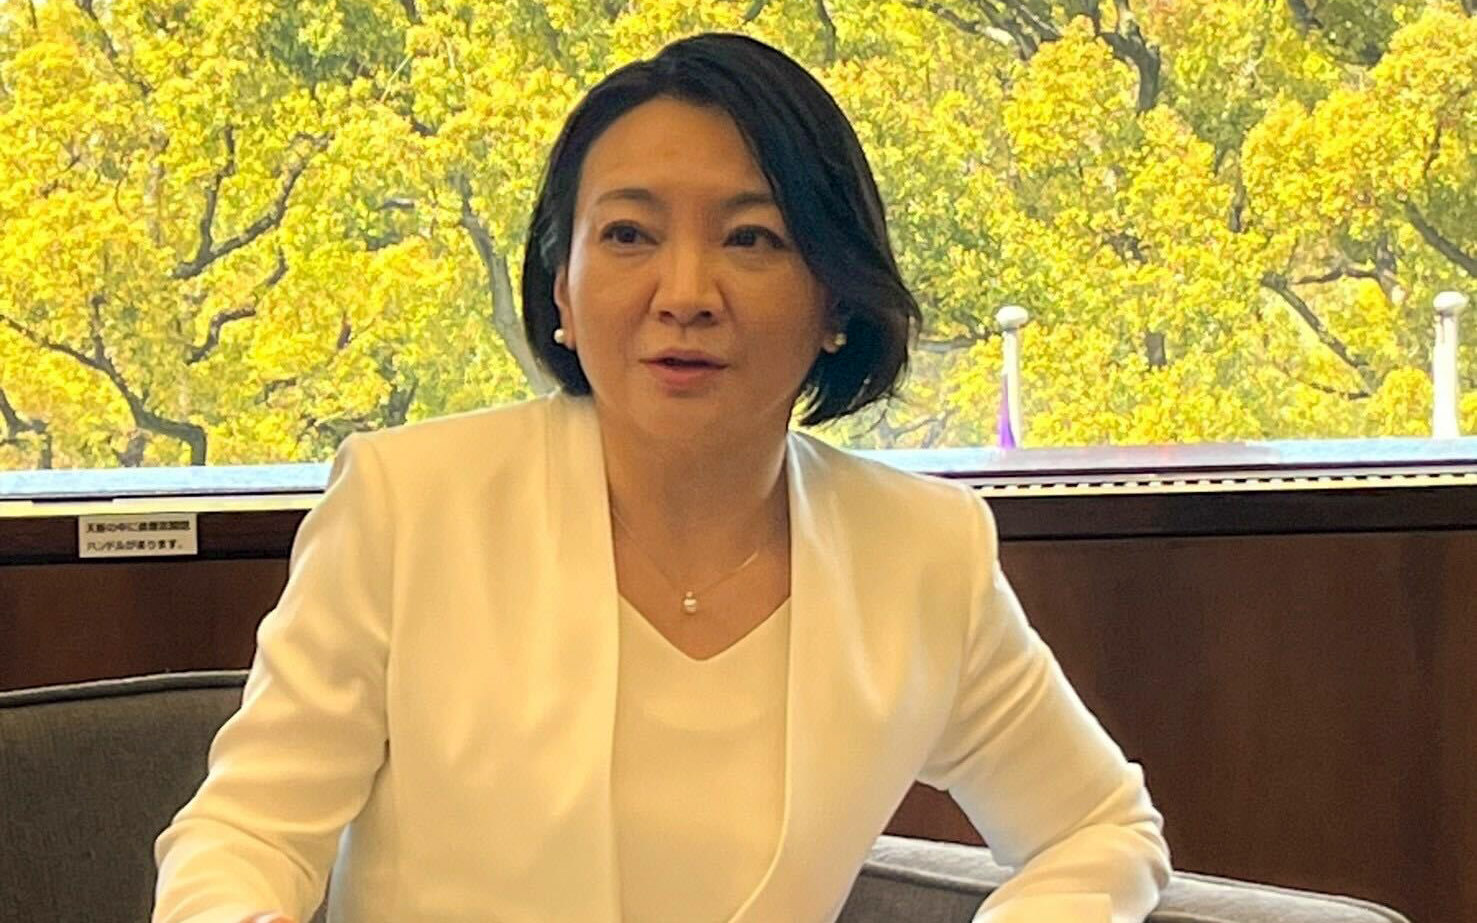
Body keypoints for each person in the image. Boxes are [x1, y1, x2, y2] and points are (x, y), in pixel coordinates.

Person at [153, 31, 1170, 923]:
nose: (684, 292)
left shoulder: (919, 552)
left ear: (834, 300)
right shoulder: (409, 504)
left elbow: (1096, 827)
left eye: (751, 238)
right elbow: (245, 831)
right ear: (561, 287)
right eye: (629, 235)